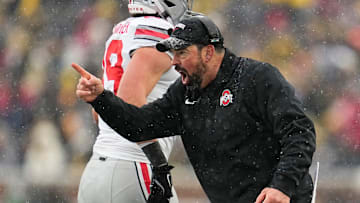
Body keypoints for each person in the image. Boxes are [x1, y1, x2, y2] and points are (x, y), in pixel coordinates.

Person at [74, 14, 316, 203]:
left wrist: (282, 186)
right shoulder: (183, 94)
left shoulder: (256, 78)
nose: (174, 62)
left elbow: (300, 132)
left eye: (182, 53)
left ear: (208, 52)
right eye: (173, 54)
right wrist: (101, 98)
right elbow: (138, 126)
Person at [76, 1, 191, 203]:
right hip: (136, 167)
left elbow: (100, 114)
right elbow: (130, 103)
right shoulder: (161, 33)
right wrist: (159, 165)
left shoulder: (122, 31)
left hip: (96, 170)